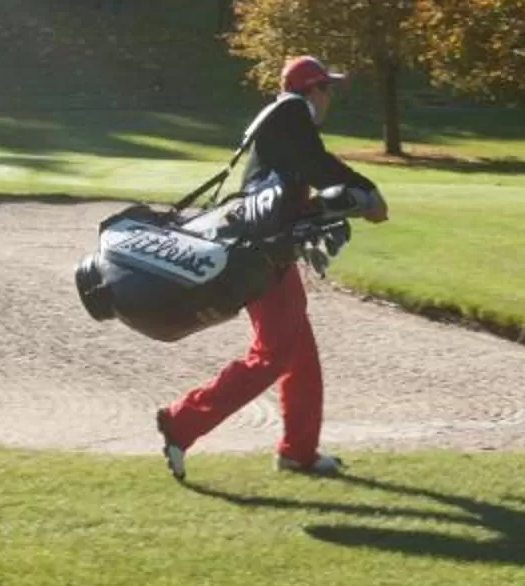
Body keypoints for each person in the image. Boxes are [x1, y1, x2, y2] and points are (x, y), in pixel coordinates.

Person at [155, 55, 388, 481]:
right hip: (262, 258)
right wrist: (368, 192)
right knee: (273, 356)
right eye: (327, 89)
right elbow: (320, 167)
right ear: (313, 90)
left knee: (300, 356)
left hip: (270, 253)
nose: (329, 98)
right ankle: (181, 421)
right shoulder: (292, 113)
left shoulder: (284, 120)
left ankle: (298, 451)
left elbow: (308, 171)